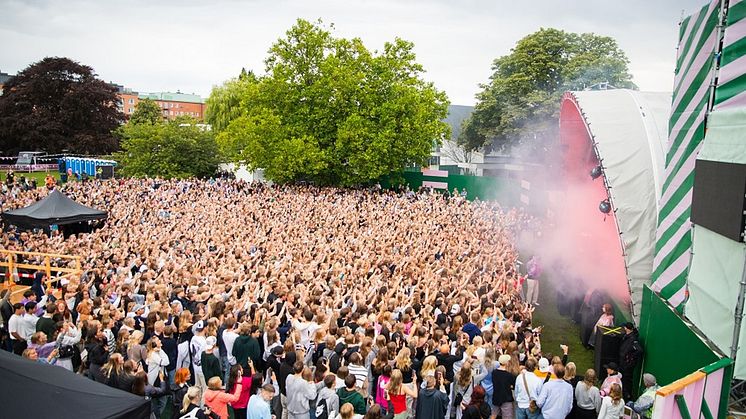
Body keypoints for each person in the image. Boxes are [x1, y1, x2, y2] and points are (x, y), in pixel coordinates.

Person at [619, 322, 643, 400]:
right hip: (624, 363)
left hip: (627, 365)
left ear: (626, 328)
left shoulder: (633, 339)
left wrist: (630, 358)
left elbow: (639, 350)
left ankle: (628, 396)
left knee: (626, 381)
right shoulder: (628, 336)